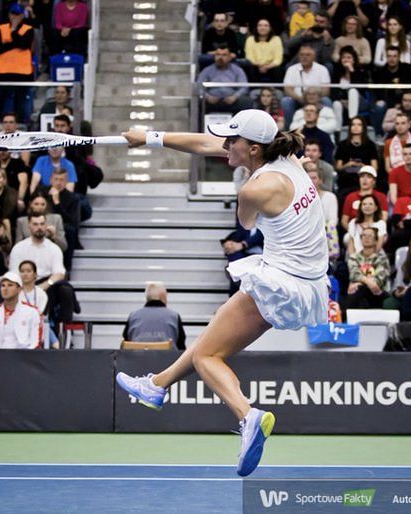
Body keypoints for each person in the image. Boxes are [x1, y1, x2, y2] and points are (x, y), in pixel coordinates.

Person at [116, 109, 330, 477]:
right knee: (214, 335)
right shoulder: (285, 156)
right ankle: (156, 385)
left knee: (208, 357)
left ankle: (249, 416)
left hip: (281, 282)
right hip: (307, 282)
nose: (226, 145)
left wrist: (243, 177)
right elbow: (204, 143)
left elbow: (246, 224)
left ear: (253, 149)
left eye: (234, 141)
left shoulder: (254, 189)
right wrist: (149, 137)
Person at [0, 4, 34, 126]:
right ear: (9, 14)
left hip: (22, 72)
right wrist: (15, 43)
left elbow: (24, 44)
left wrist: (13, 32)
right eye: (12, 14)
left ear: (22, 15)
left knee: (20, 103)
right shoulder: (1, 28)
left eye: (17, 14)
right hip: (5, 71)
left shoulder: (28, 29)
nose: (15, 17)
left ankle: (20, 127)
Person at [0, 271, 43, 349]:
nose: (5, 289)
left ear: (19, 289)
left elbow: (36, 343)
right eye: (3, 285)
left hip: (24, 358)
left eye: (10, 285)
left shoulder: (32, 312)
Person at [123, 282, 186, 350]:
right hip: (167, 360)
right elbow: (181, 349)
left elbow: (125, 346)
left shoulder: (133, 317)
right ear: (163, 296)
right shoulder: (174, 317)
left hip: (136, 360)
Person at [281, 45, 331, 128]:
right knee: (286, 101)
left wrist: (315, 99)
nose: (304, 57)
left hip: (317, 100)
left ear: (314, 57)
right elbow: (287, 89)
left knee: (326, 100)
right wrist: (300, 98)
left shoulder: (322, 69)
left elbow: (326, 91)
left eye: (308, 55)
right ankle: (289, 130)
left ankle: (328, 128)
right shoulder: (292, 69)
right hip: (298, 100)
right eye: (302, 55)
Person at [342, 227, 390, 311]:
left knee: (360, 290)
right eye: (364, 235)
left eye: (370, 235)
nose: (366, 237)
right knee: (361, 299)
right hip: (358, 293)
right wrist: (367, 281)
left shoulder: (382, 259)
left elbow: (378, 282)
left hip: (378, 294)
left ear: (376, 240)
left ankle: (343, 315)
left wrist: (360, 283)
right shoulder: (354, 257)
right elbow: (353, 274)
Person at [197, 46, 251, 114]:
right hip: (211, 100)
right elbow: (199, 87)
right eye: (218, 55)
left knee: (247, 102)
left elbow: (244, 87)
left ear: (229, 57)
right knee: (195, 102)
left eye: (224, 55)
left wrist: (235, 96)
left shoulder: (237, 70)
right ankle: (199, 125)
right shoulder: (207, 70)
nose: (220, 58)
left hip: (232, 100)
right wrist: (207, 97)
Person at [330, 46, 370, 129]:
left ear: (354, 60)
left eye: (349, 57)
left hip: (360, 102)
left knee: (352, 91)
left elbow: (361, 89)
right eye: (343, 57)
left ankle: (352, 122)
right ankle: (338, 131)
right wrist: (341, 100)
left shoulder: (360, 72)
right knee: (336, 104)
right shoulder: (337, 74)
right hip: (343, 102)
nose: (346, 60)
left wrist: (352, 71)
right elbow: (333, 91)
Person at [340, 166, 388, 230]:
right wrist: (355, 232)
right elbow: (344, 221)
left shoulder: (381, 197)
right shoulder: (350, 197)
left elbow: (384, 218)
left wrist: (371, 232)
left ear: (374, 181)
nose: (364, 179)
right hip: (354, 231)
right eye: (362, 176)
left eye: (368, 177)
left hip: (375, 231)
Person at [243, 19, 283, 83]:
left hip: (271, 67)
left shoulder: (276, 39)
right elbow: (249, 58)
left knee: (278, 69)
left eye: (266, 25)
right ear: (256, 28)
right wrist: (259, 65)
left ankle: (278, 91)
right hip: (255, 66)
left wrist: (267, 67)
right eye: (260, 25)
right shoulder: (250, 39)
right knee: (250, 68)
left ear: (270, 28)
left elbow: (278, 59)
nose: (262, 28)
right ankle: (252, 91)